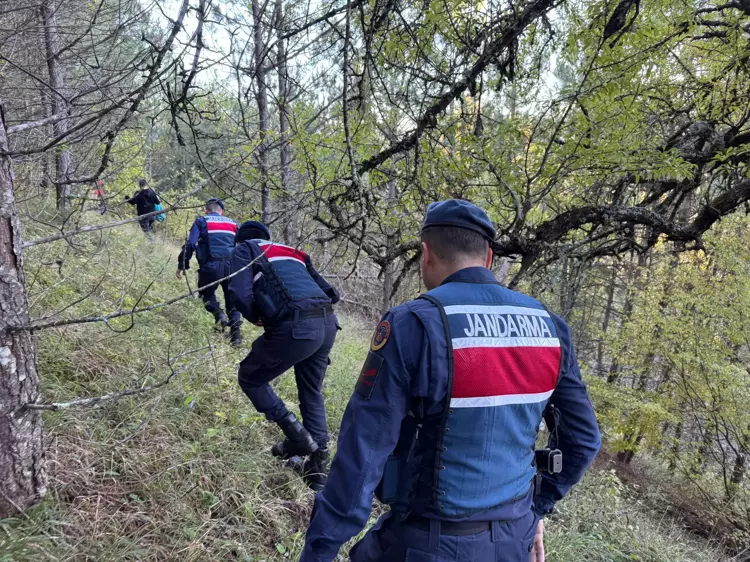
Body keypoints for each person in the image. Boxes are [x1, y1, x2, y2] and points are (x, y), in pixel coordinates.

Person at [301, 200, 602, 562]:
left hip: (428, 544)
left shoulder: (413, 322)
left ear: (426, 254)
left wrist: (320, 550)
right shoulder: (550, 328)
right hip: (514, 541)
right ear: (489, 257)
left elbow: (363, 453)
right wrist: (537, 508)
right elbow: (583, 440)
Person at [228, 220, 340, 491]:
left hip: (298, 326)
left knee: (251, 378)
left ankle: (297, 438)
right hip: (327, 324)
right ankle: (317, 470)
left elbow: (238, 293)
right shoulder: (294, 252)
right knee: (311, 391)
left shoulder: (244, 250)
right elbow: (331, 293)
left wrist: (257, 316)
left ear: (241, 239)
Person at [177, 198, 242, 346]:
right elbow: (241, 246)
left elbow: (191, 244)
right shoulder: (233, 224)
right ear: (222, 212)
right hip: (232, 267)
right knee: (232, 299)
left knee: (206, 294)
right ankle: (236, 337)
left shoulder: (202, 221)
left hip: (211, 266)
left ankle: (220, 316)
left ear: (206, 210)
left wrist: (183, 263)